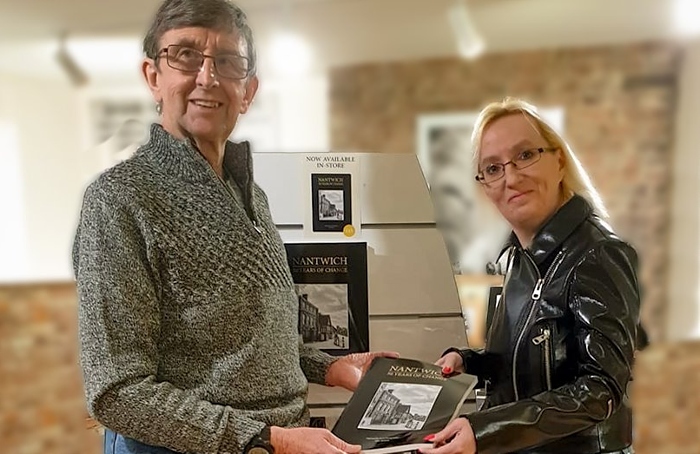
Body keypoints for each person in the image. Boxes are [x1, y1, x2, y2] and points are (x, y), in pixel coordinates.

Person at [72, 1, 396, 453]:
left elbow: (250, 342)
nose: (207, 77)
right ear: (153, 77)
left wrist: (332, 368)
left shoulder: (251, 196)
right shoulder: (119, 201)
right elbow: (117, 392)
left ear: (248, 90)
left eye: (228, 62)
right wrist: (269, 439)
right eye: (185, 55)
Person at [424, 98, 642, 454]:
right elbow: (533, 357)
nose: (511, 177)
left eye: (525, 155)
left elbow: (600, 390)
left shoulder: (599, 254)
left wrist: (488, 430)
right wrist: (469, 360)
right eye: (492, 168)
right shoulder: (515, 259)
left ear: (559, 160)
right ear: (484, 186)